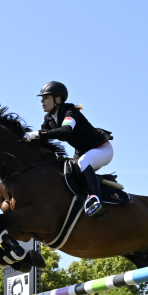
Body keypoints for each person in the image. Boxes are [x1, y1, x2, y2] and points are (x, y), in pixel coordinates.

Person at [25, 81, 114, 219]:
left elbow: (65, 131)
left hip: (102, 149)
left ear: (58, 99)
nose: (42, 101)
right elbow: (42, 138)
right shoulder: (49, 118)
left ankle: (96, 200)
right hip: (83, 151)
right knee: (66, 172)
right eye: (42, 98)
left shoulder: (69, 111)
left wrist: (37, 134)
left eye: (46, 97)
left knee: (83, 162)